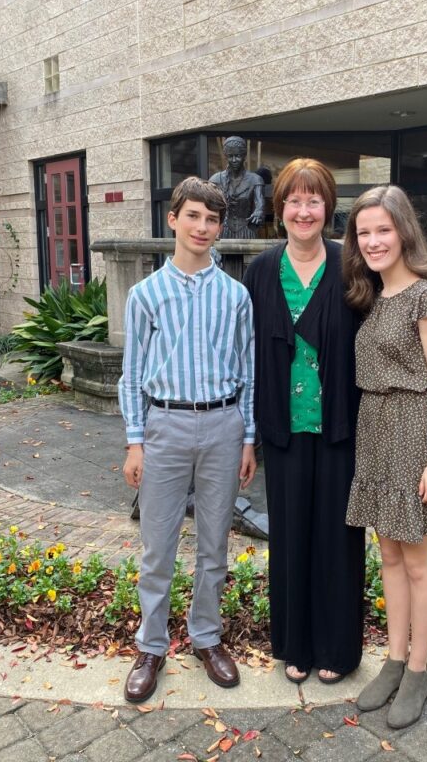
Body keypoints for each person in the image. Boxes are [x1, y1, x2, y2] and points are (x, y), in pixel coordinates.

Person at [119, 176, 257, 703]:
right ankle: (151, 645)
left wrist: (248, 437)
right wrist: (135, 441)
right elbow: (132, 374)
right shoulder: (145, 294)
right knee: (158, 546)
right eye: (193, 216)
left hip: (223, 427)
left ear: (221, 227)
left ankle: (206, 637)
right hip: (165, 428)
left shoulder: (236, 296)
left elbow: (248, 371)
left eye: (213, 219)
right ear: (173, 219)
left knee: (214, 545)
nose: (203, 227)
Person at [343, 184, 427, 729]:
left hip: (414, 432)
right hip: (375, 432)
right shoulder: (372, 297)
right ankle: (393, 661)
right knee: (388, 556)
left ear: (404, 231)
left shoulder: (425, 297)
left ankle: (419, 669)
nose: (372, 241)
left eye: (382, 230)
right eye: (363, 233)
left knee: (418, 561)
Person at [242, 158, 365, 685]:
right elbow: (246, 359)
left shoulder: (353, 269)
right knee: (290, 539)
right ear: (280, 208)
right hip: (284, 431)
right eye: (294, 200)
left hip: (340, 429)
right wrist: (248, 437)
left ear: (328, 208)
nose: (303, 210)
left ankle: (336, 648)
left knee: (338, 540)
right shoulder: (260, 272)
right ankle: (295, 645)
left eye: (314, 200)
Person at [210, 136, 265, 239]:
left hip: (247, 230)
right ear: (226, 156)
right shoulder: (216, 179)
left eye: (238, 156)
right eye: (230, 156)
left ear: (244, 156)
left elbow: (260, 205)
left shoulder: (255, 180)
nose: (234, 160)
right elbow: (209, 207)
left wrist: (259, 213)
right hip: (224, 231)